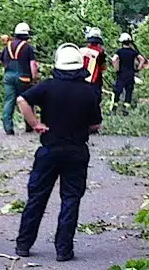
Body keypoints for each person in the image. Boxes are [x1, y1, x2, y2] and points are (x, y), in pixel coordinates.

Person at [15, 43, 103, 262]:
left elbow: (21, 99)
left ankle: (23, 244)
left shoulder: (47, 87)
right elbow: (96, 125)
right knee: (70, 199)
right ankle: (63, 249)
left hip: (50, 149)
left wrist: (35, 123)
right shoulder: (89, 91)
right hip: (76, 151)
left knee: (37, 197)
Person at [0, 22, 38, 135]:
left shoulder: (8, 46)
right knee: (27, 100)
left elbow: (1, 61)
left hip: (9, 76)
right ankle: (29, 125)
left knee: (9, 101)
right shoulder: (28, 48)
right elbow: (33, 64)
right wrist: (34, 78)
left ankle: (8, 128)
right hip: (23, 77)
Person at [111, 33, 146, 115]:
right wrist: (138, 69)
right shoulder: (133, 52)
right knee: (129, 92)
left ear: (121, 42)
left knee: (118, 91)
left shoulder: (119, 51)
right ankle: (125, 110)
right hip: (130, 74)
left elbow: (114, 59)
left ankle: (114, 109)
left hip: (121, 74)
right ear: (129, 42)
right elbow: (142, 60)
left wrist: (116, 69)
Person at [80, 28, 107, 104]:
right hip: (94, 82)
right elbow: (103, 68)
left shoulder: (81, 51)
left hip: (80, 80)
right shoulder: (100, 53)